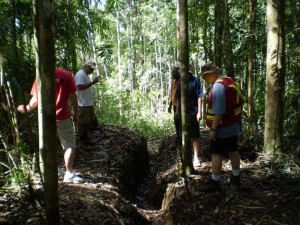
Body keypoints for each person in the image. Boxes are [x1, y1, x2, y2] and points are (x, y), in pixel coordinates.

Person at [17, 68, 83, 183]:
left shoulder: (41, 75)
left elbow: (36, 98)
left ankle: (49, 172)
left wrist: (27, 108)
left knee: (47, 145)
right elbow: (73, 96)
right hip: (62, 116)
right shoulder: (66, 75)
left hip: (45, 118)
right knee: (69, 145)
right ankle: (68, 173)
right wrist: (76, 113)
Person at [199, 62, 242, 191]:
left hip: (222, 128)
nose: (204, 79)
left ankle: (215, 182)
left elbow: (219, 112)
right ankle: (236, 177)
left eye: (205, 77)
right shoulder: (229, 80)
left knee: (216, 154)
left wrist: (213, 130)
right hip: (233, 125)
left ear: (211, 74)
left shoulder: (218, 87)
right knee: (233, 150)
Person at [175, 67, 204, 168]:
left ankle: (196, 157)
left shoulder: (195, 80)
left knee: (195, 136)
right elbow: (178, 97)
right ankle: (184, 157)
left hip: (193, 112)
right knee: (182, 135)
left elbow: (200, 96)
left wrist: (199, 112)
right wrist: (177, 111)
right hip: (182, 113)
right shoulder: (180, 81)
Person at [75, 59, 99, 145]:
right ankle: (82, 139)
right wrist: (93, 82)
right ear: (86, 66)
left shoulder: (85, 75)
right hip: (82, 103)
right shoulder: (80, 74)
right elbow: (79, 87)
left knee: (86, 122)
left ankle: (86, 138)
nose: (92, 71)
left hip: (87, 103)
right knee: (82, 122)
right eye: (91, 69)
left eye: (93, 69)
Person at [168, 67, 180, 147]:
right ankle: (178, 138)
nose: (172, 74)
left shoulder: (181, 82)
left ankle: (178, 140)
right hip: (174, 106)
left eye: (174, 72)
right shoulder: (174, 83)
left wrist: (178, 110)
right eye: (172, 72)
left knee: (179, 123)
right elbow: (172, 95)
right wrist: (169, 105)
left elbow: (180, 97)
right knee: (176, 123)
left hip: (179, 107)